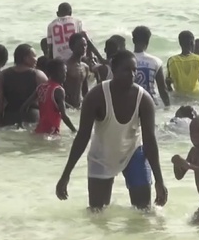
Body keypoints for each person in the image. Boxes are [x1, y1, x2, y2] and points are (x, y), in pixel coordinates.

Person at [55, 50, 167, 211]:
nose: (132, 74)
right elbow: (82, 137)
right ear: (113, 70)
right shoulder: (96, 96)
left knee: (144, 212)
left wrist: (159, 180)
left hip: (133, 153)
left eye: (134, 70)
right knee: (97, 213)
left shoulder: (144, 99)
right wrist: (66, 175)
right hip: (102, 157)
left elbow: (150, 140)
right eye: (126, 70)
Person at [0, 44, 47, 126]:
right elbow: (48, 101)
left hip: (10, 117)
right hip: (32, 116)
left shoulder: (2, 75)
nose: (36, 59)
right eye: (34, 56)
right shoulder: (39, 75)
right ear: (25, 58)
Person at [21, 58, 77, 135]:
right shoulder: (59, 90)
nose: (65, 75)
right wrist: (74, 131)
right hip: (52, 133)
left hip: (38, 131)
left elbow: (24, 106)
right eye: (64, 72)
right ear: (56, 73)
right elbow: (64, 116)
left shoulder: (41, 87)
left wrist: (22, 125)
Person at [132, 26, 170, 107]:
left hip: (130, 104)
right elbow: (162, 89)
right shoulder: (155, 61)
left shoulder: (124, 59)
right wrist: (168, 108)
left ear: (133, 40)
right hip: (150, 104)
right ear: (148, 41)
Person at [64, 33, 90, 109]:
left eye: (85, 45)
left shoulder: (85, 67)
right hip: (68, 108)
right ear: (72, 47)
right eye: (80, 45)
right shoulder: (66, 66)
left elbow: (85, 91)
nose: (84, 48)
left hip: (79, 107)